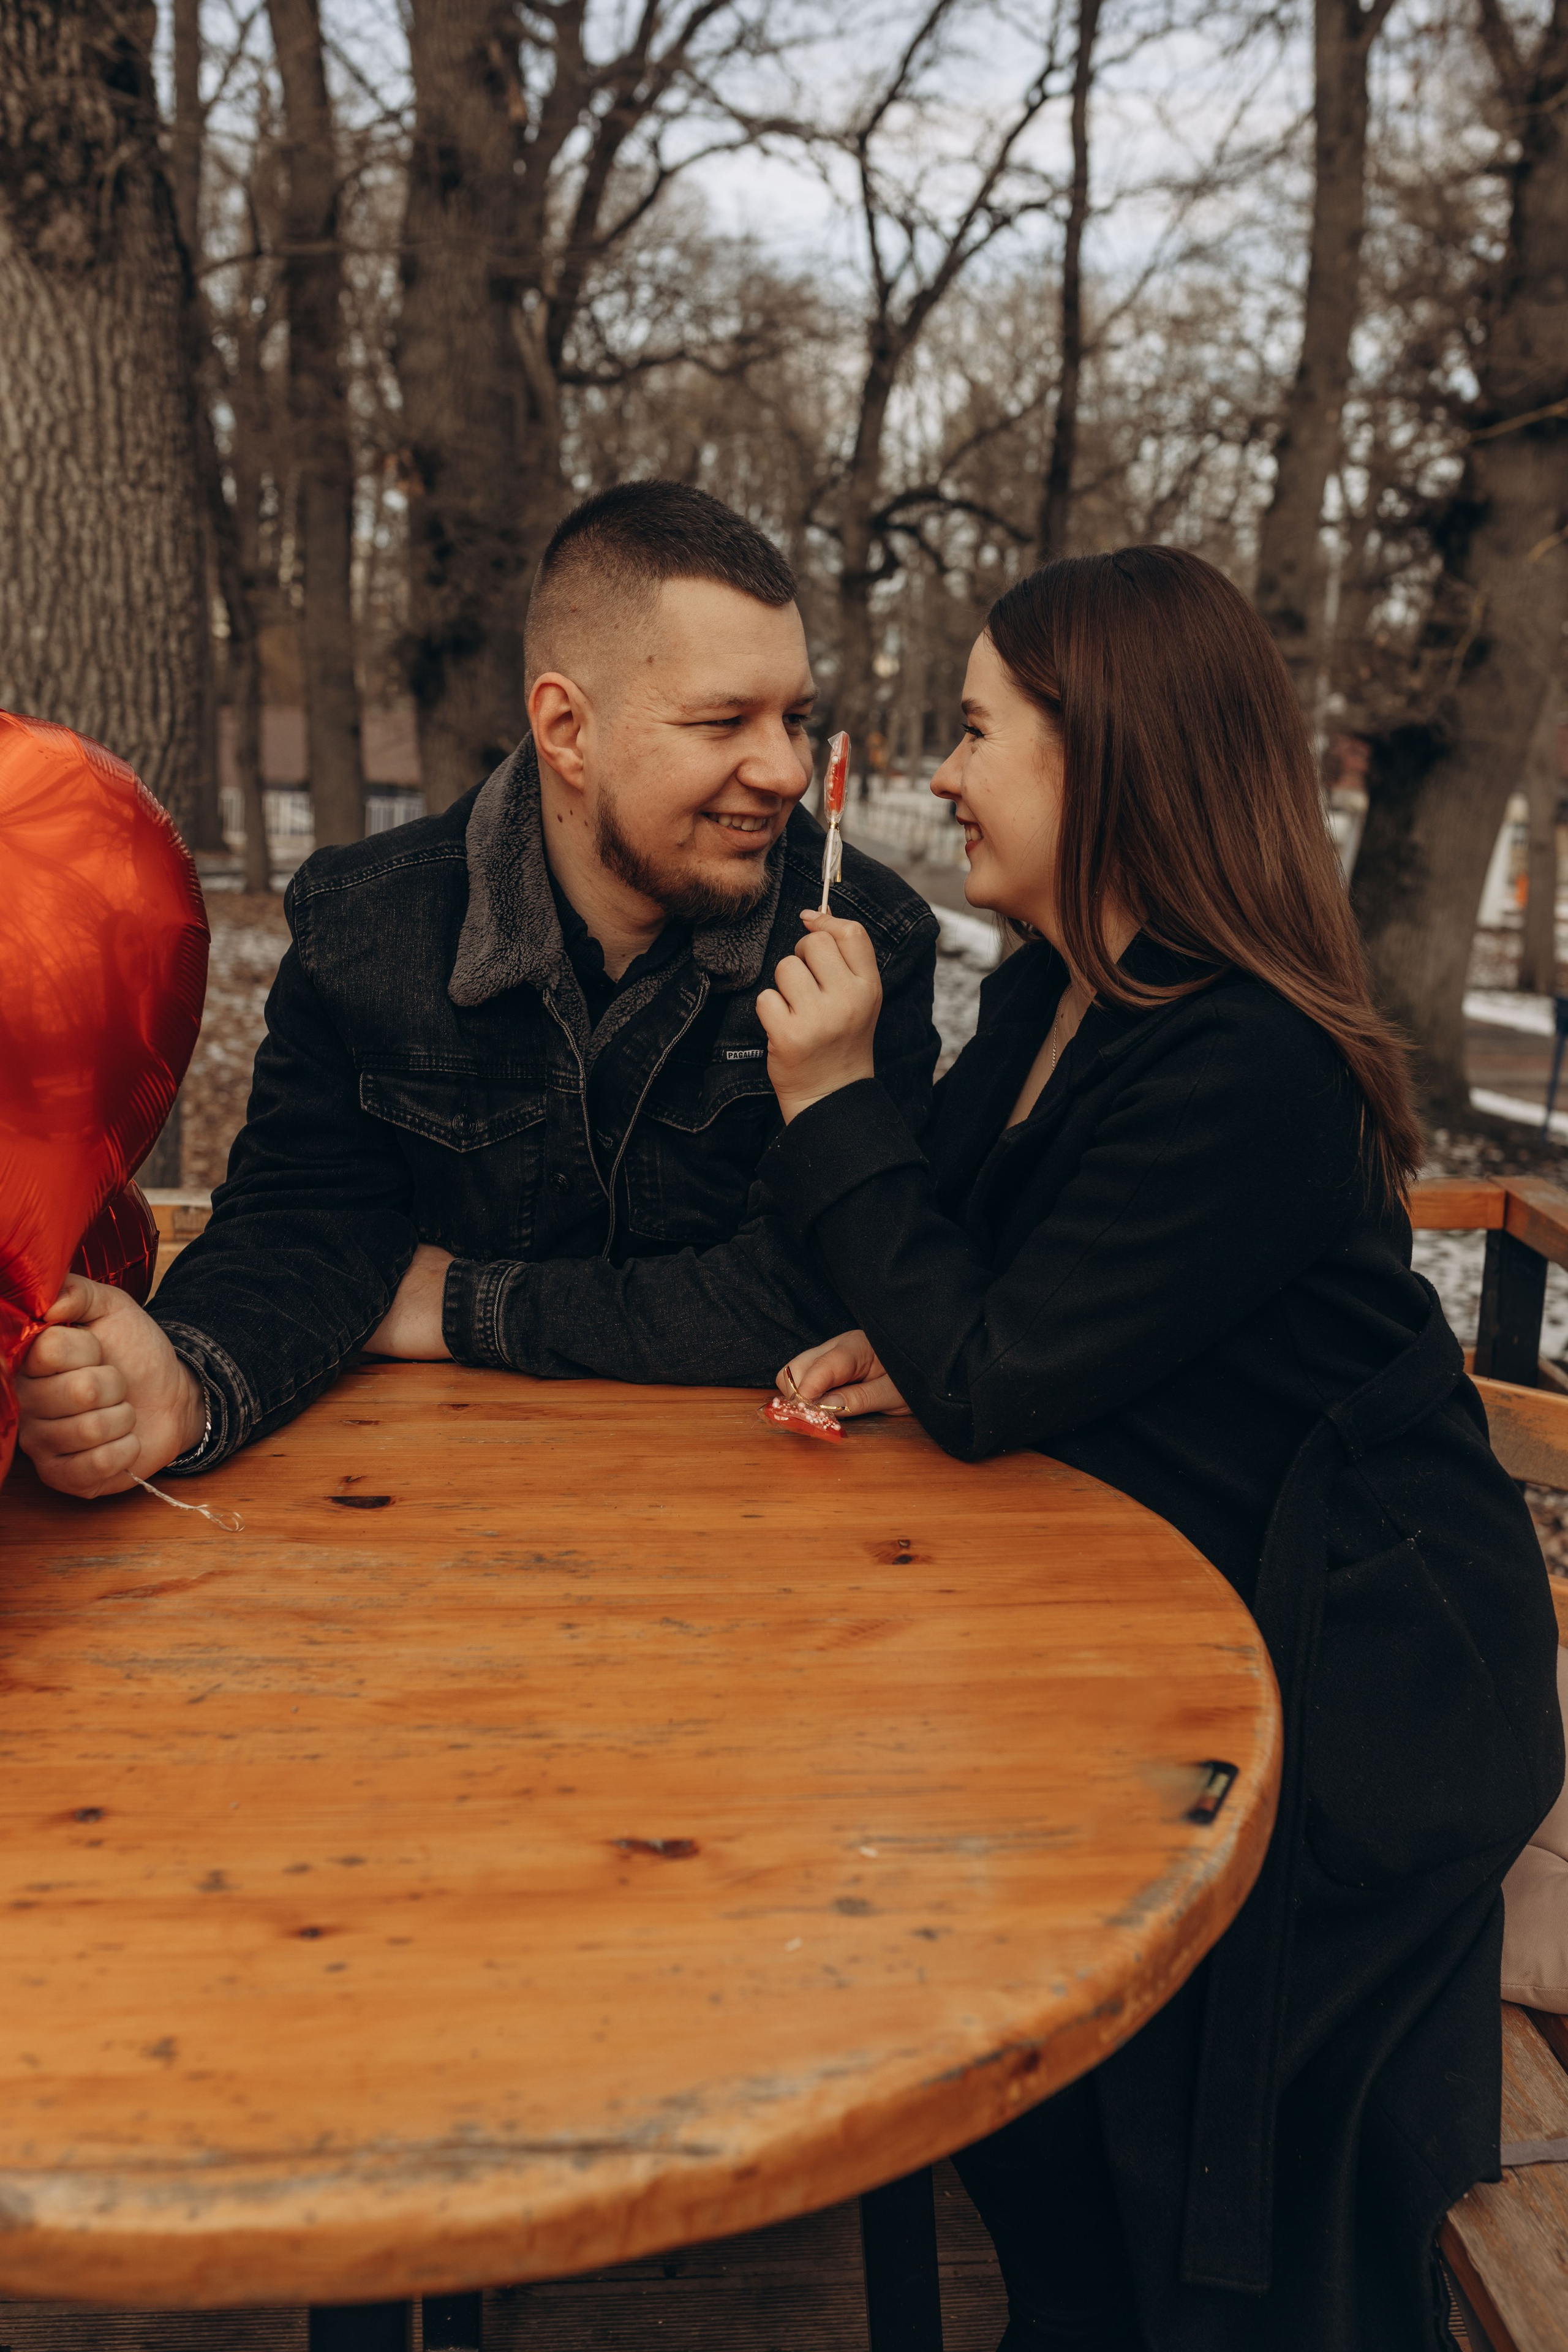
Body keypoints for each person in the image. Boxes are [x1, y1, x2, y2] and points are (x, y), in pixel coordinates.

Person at [752, 546, 1564, 2351]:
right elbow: (979, 1301)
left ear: (1103, 752)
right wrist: (913, 1334)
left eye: (977, 731)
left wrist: (833, 1102)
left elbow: (989, 1363)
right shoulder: (1052, 994)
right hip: (1169, 1622)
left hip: (1364, 1685)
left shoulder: (1250, 1063)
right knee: (1038, 2068)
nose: (943, 771)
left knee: (1210, 2161)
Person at [17, 481, 938, 1494]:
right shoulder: (367, 925)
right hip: (425, 1508)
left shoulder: (866, 939)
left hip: (767, 1519)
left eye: (796, 718)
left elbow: (830, 1290)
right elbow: (300, 1225)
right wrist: (188, 1388)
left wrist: (460, 1305)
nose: (787, 771)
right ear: (567, 728)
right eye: (725, 722)